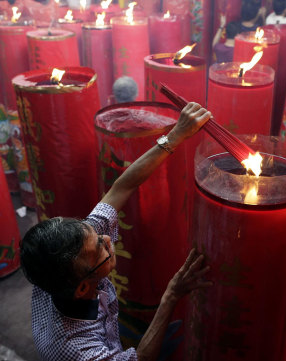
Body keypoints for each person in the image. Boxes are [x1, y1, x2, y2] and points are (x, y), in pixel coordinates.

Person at [20, 102, 213, 361]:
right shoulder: (77, 349)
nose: (107, 238)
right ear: (81, 288)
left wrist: (176, 135)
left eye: (97, 235)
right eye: (100, 247)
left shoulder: (64, 261)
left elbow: (121, 188)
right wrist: (172, 294)